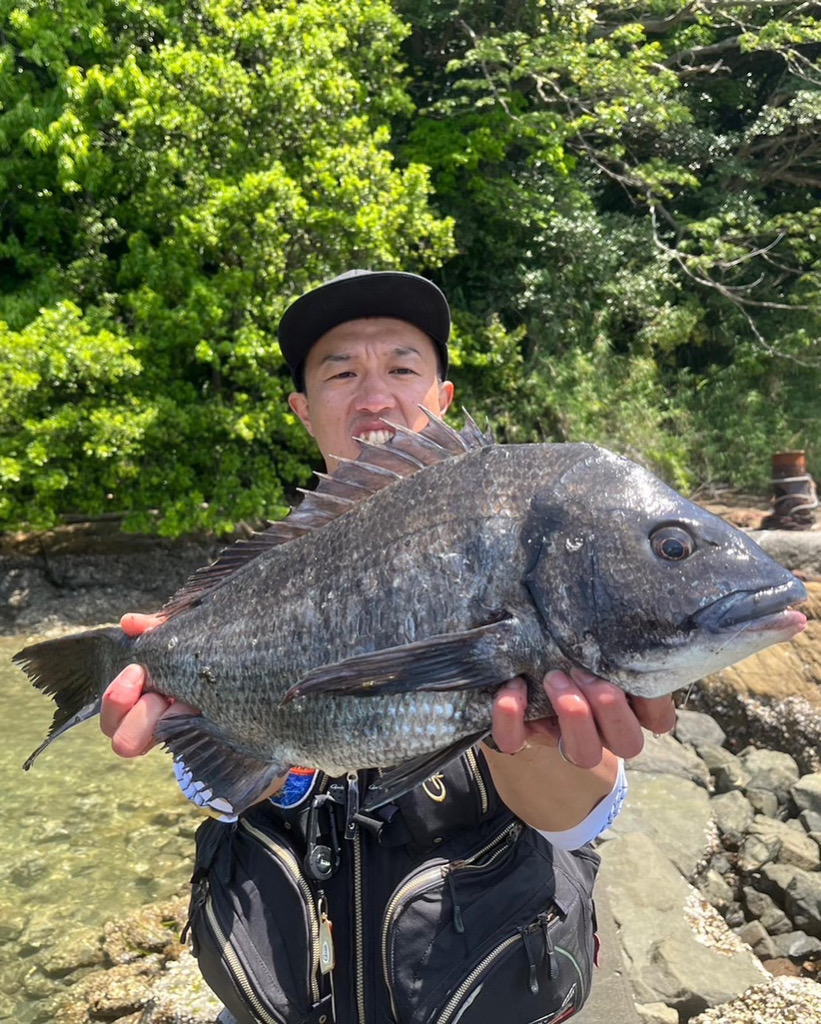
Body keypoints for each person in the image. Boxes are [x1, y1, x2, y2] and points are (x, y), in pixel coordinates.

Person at [100, 270, 676, 1023]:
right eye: (341, 372)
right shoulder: (258, 582)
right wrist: (188, 718)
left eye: (402, 367)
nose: (374, 395)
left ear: (442, 396)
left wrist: (534, 737)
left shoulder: (524, 543)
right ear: (303, 411)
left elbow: (575, 823)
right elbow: (225, 791)